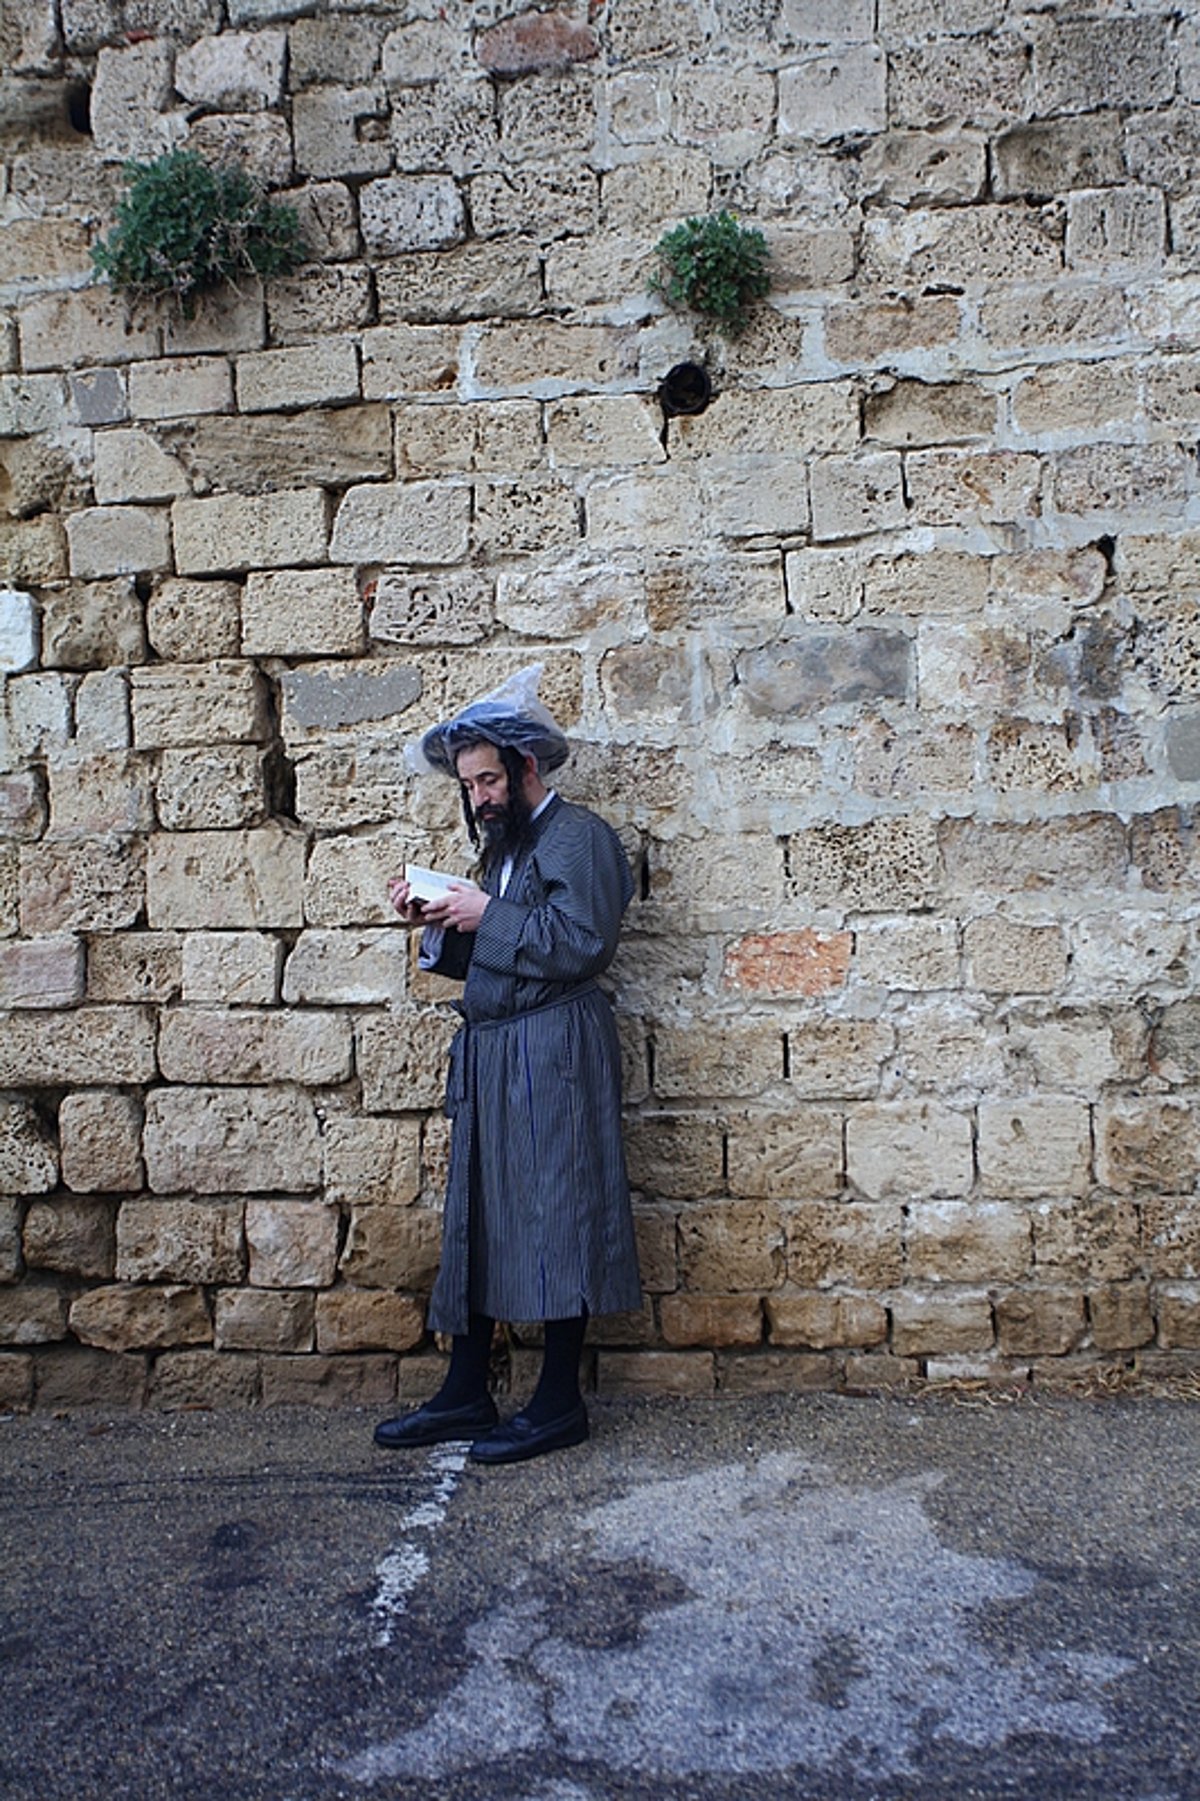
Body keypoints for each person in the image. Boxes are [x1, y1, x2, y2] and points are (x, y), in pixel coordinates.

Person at [373, 668, 642, 1465]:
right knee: (480, 1215)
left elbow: (583, 941)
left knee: (559, 1212)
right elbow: (498, 954)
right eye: (470, 784)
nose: (480, 796)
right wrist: (439, 921)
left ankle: (558, 1400)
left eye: (490, 778)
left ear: (527, 768)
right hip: (496, 1054)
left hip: (554, 1052)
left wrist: (487, 912)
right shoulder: (502, 852)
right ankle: (467, 1388)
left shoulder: (579, 836)